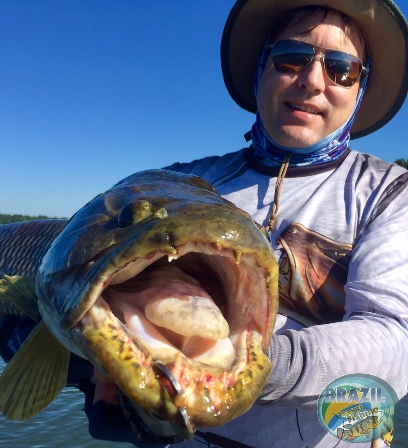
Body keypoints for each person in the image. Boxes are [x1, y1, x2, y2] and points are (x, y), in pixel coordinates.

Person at [1, 0, 408, 447]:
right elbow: (88, 265)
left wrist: (243, 361)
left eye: (341, 69)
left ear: (359, 88)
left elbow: (394, 338)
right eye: (291, 57)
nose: (312, 80)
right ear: (261, 69)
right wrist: (77, 345)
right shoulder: (180, 182)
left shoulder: (389, 192)